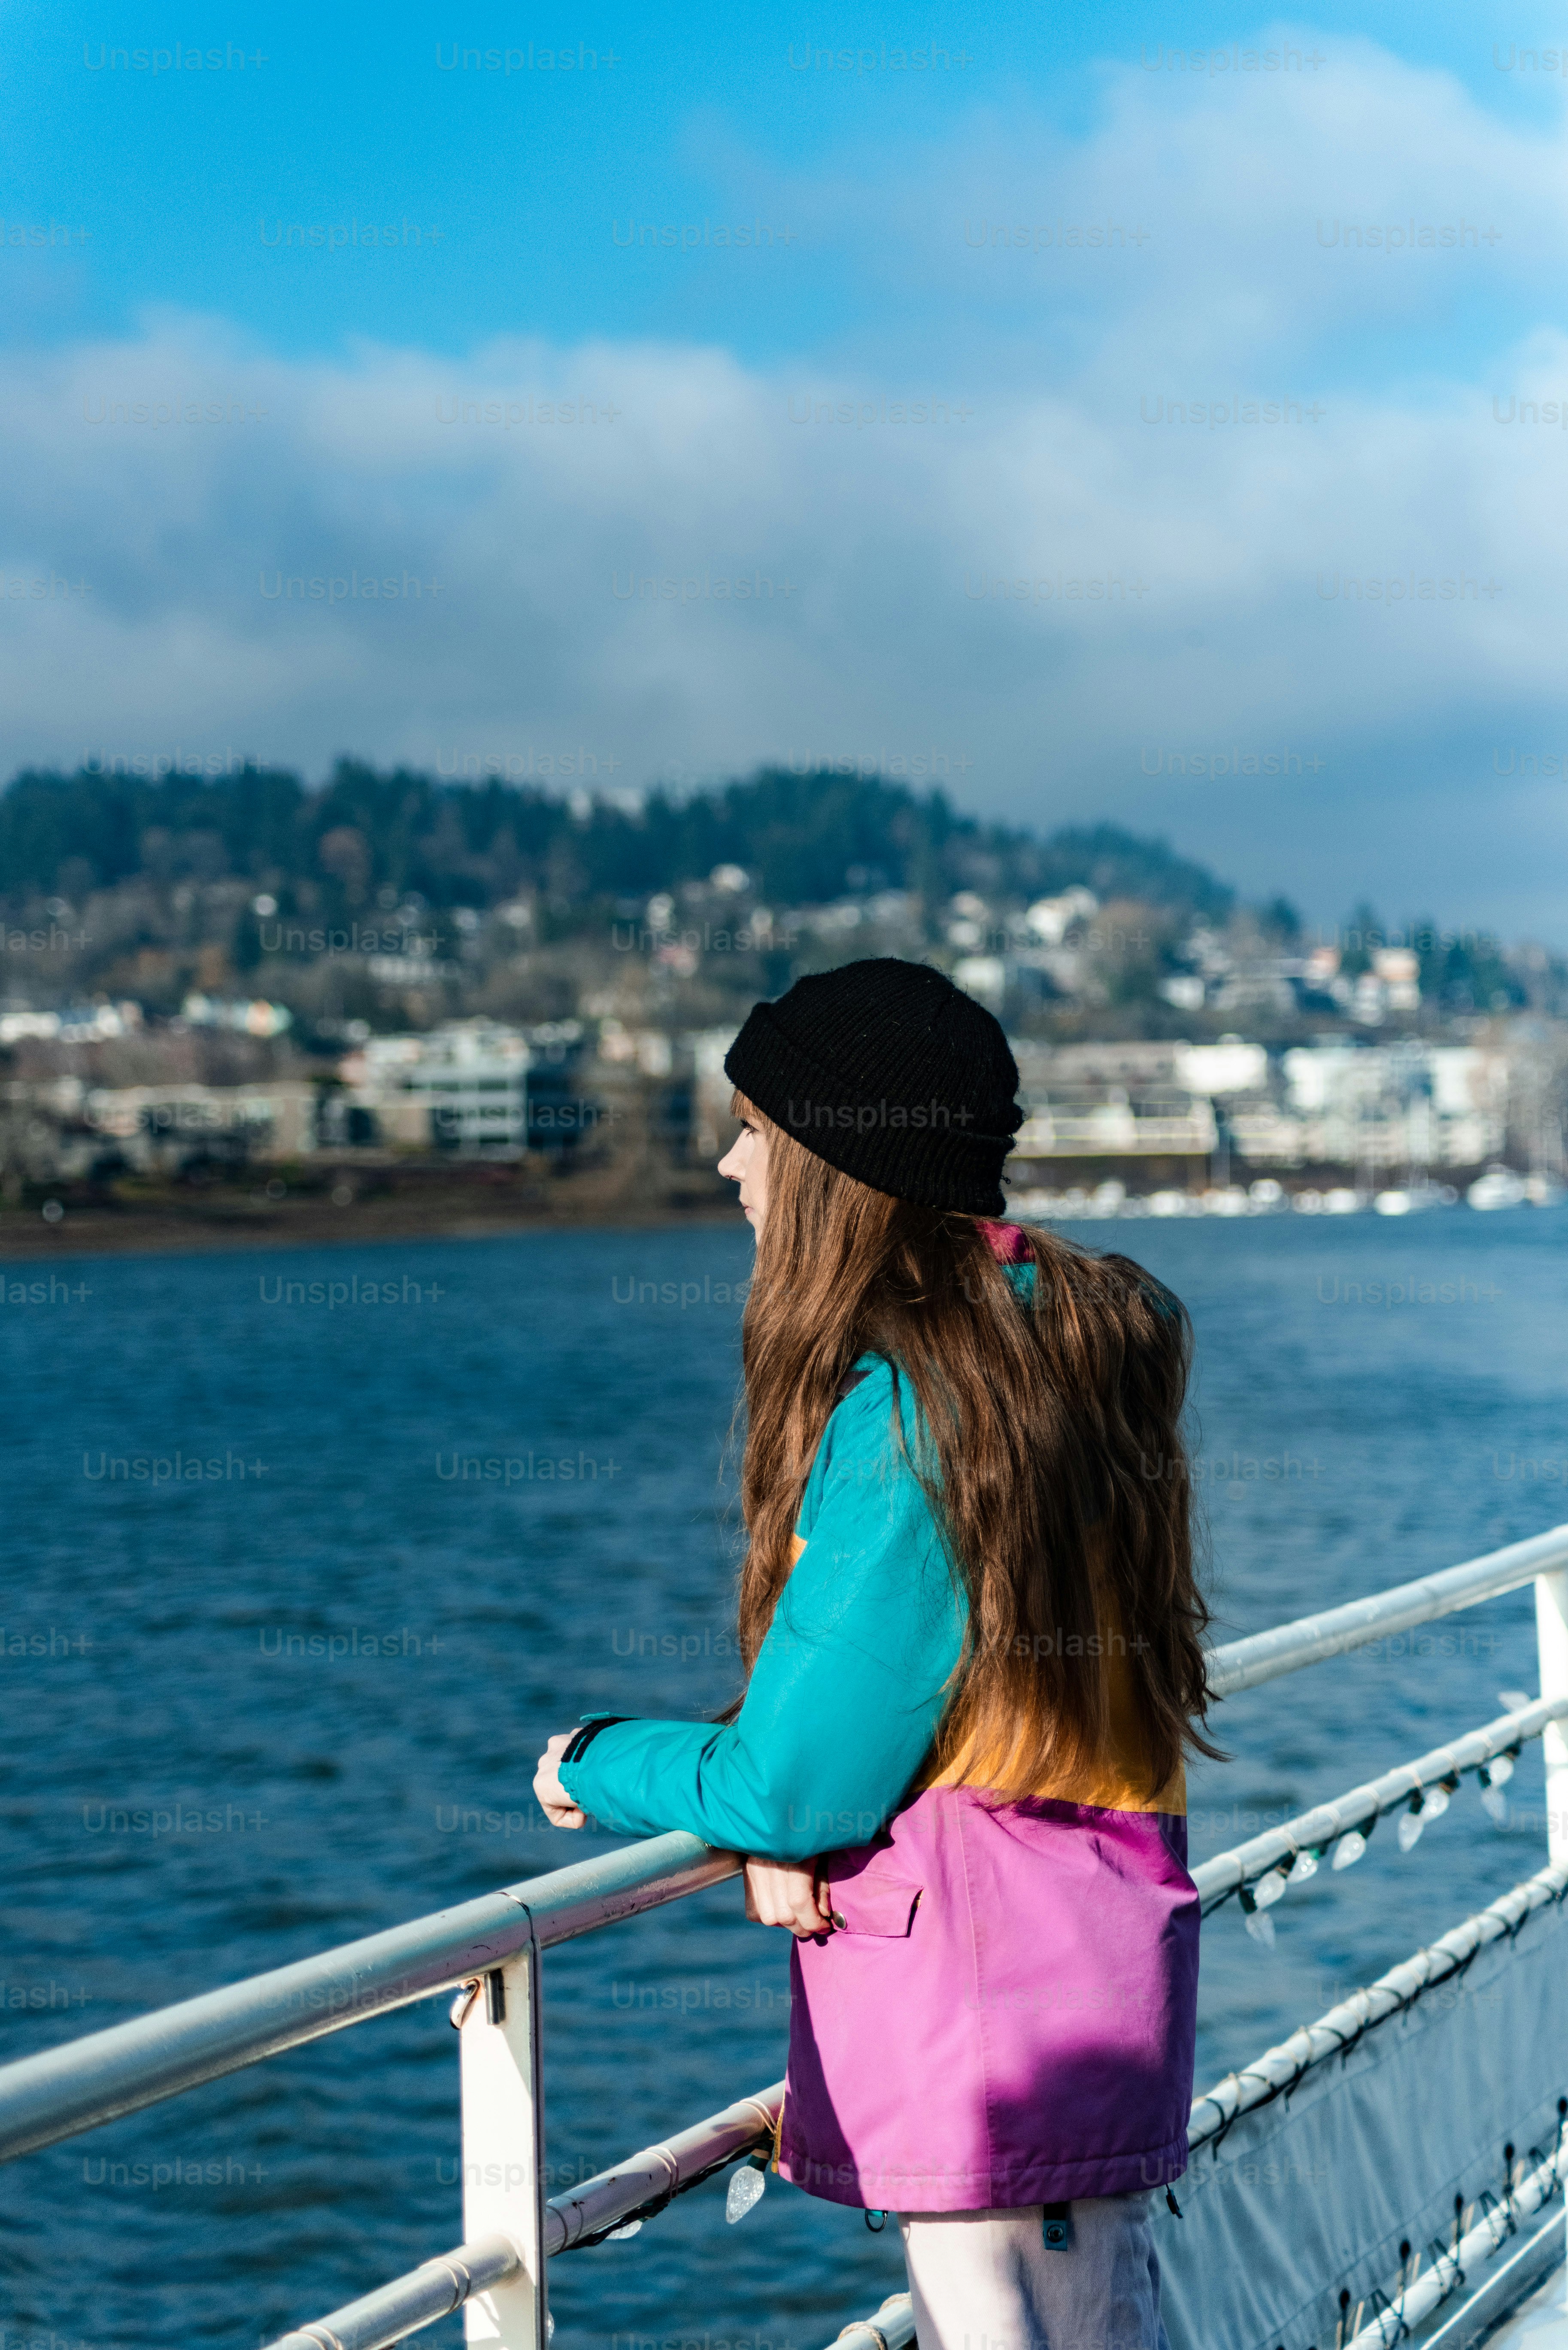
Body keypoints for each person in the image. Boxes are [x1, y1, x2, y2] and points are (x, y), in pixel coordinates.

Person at [534, 956, 1214, 2350]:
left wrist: (598, 1762)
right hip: (1103, 1955)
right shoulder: (1067, 1357)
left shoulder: (913, 1410)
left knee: (986, 2324)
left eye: (754, 1132)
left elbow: (800, 1779)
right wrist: (789, 1795)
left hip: (972, 2001)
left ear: (841, 1163)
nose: (729, 1165)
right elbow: (954, 1685)